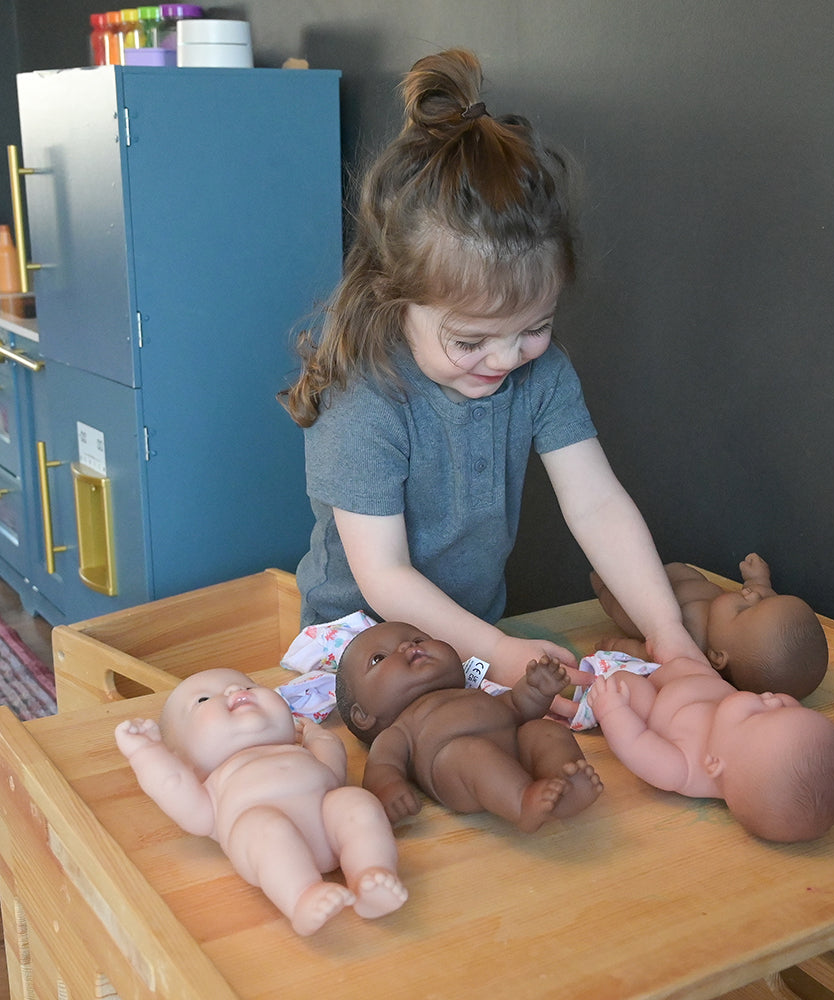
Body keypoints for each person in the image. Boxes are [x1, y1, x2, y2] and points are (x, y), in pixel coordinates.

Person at [281, 47, 704, 696]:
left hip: (474, 637)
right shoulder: (365, 399)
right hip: (359, 655)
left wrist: (668, 632)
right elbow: (385, 575)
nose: (507, 360)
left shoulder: (544, 376)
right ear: (399, 298)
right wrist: (496, 652)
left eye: (534, 328)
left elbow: (596, 505)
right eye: (471, 340)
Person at [114, 668, 407, 936]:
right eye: (203, 699)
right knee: (265, 828)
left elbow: (333, 766)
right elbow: (170, 784)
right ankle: (302, 896)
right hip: (267, 835)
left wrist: (316, 735)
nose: (233, 691)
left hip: (327, 821)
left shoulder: (296, 751)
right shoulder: (212, 787)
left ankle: (370, 873)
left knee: (356, 801)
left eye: (248, 686)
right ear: (183, 760)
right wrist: (145, 753)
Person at [586, 641, 834, 842]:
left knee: (629, 688)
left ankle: (619, 672)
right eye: (787, 707)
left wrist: (613, 711)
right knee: (694, 667)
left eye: (759, 712)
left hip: (657, 702)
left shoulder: (684, 769)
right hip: (700, 681)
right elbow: (817, 741)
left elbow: (635, 743)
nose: (773, 699)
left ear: (714, 764)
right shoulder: (758, 742)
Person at [335, 620, 604, 833]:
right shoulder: (398, 730)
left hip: (512, 743)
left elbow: (517, 708)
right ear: (363, 716)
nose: (407, 646)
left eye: (418, 639)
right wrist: (388, 791)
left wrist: (536, 689)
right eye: (379, 658)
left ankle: (564, 783)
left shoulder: (476, 693)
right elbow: (382, 767)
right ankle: (522, 803)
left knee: (545, 731)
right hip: (457, 770)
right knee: (470, 752)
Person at [591, 553, 828, 700]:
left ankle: (601, 582)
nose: (752, 596)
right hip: (680, 582)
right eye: (766, 600)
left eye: (745, 609)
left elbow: (649, 652)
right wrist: (758, 580)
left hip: (641, 609)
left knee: (618, 603)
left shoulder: (691, 645)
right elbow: (764, 594)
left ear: (716, 657)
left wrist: (616, 645)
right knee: (679, 569)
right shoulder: (749, 621)